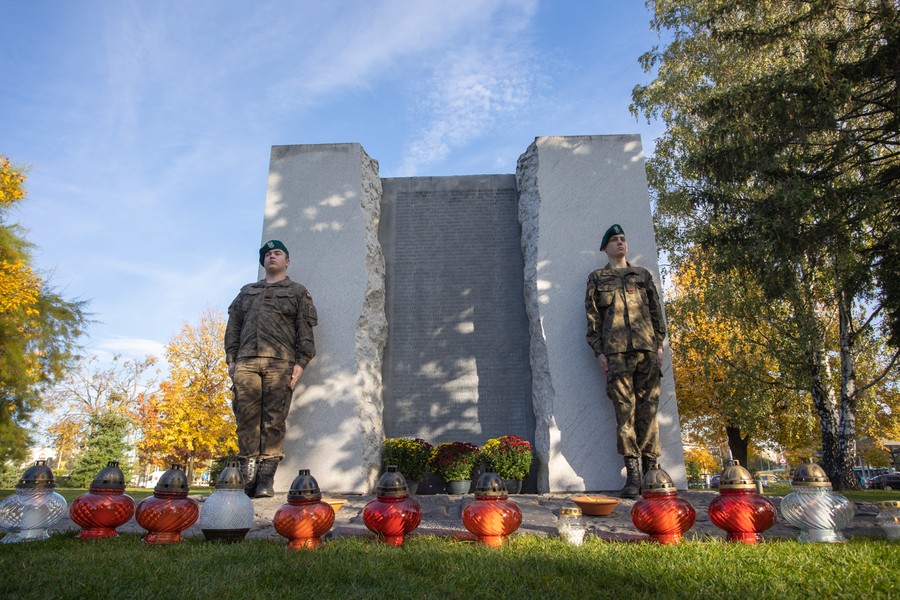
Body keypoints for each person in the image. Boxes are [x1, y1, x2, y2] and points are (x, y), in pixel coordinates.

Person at [224, 240, 317, 498]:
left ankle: (265, 479)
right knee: (245, 418)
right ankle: (248, 476)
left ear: (287, 261)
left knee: (274, 419)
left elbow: (305, 330)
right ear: (263, 262)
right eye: (267, 254)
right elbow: (233, 326)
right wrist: (231, 358)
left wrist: (301, 363)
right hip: (246, 361)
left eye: (277, 253)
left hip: (280, 362)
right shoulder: (247, 291)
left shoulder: (297, 292)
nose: (271, 256)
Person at [585, 224, 666, 498]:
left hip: (646, 350)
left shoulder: (642, 275)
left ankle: (651, 471)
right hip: (616, 354)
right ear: (604, 248)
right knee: (625, 412)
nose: (620, 243)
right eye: (614, 240)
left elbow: (656, 311)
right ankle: (633, 475)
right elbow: (593, 319)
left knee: (649, 411)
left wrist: (659, 344)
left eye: (623, 239)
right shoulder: (597, 278)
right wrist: (599, 351)